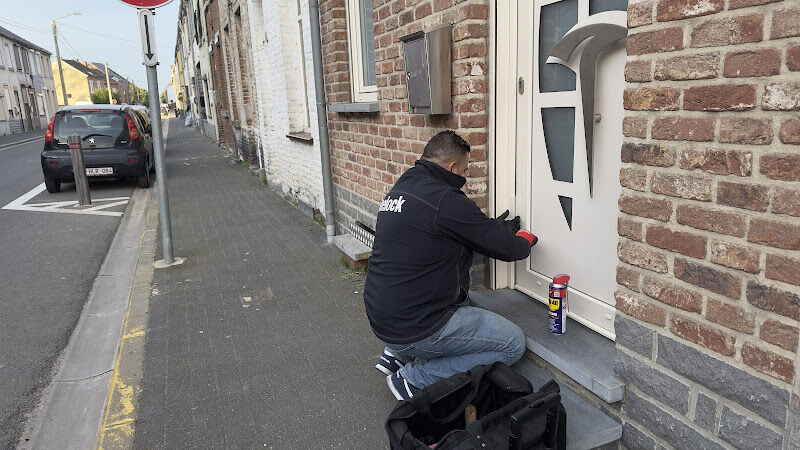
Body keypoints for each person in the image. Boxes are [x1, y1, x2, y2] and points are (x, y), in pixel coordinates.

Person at [363, 130, 538, 401]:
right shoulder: (445, 199)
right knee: (512, 343)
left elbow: (458, 230)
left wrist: (491, 228)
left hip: (383, 317)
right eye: (465, 170)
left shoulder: (405, 185)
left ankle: (396, 354)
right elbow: (507, 248)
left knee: (461, 299)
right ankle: (412, 379)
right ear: (452, 167)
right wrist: (523, 240)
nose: (464, 178)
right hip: (414, 325)